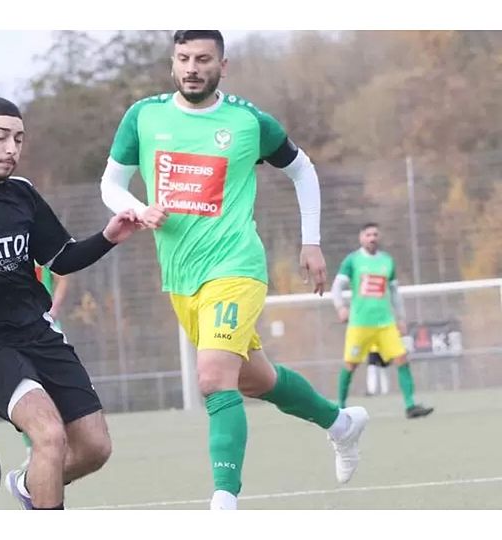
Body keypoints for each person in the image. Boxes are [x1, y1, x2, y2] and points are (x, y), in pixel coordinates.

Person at [98, 30, 369, 510]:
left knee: (212, 378)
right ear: (172, 63)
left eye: (203, 59)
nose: (192, 68)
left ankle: (224, 503)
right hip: (182, 278)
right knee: (255, 379)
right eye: (184, 58)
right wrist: (138, 208)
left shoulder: (247, 121)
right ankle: (341, 424)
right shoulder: (144, 116)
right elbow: (111, 185)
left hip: (236, 267)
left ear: (223, 66)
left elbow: (302, 169)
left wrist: (311, 242)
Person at [0, 96, 143, 510]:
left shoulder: (24, 194)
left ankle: (30, 485)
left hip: (39, 332)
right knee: (49, 436)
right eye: (1, 137)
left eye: (18, 139)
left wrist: (108, 237)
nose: (11, 148)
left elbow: (61, 258)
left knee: (95, 447)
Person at [331, 222, 434, 418]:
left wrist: (401, 318)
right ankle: (339, 407)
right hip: (360, 323)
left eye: (375, 234)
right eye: (368, 235)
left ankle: (410, 406)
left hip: (385, 323)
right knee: (350, 365)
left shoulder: (387, 261)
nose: (372, 238)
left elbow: (394, 292)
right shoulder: (352, 260)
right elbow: (337, 287)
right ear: (361, 238)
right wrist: (341, 307)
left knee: (401, 358)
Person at [20, 266, 70, 467]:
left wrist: (54, 309)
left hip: (47, 327)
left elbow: (62, 277)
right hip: (16, 329)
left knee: (59, 389)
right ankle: (31, 449)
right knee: (25, 390)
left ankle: (64, 443)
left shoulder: (40, 251)